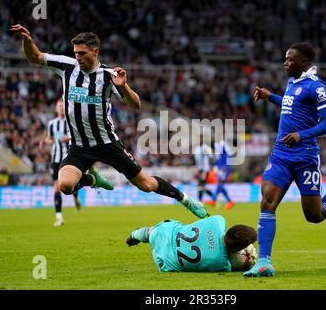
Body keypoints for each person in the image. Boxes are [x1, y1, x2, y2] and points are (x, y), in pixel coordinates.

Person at [11, 24, 207, 219]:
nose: (77, 57)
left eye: (82, 53)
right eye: (76, 53)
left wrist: (124, 87)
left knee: (146, 185)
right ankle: (92, 179)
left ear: (95, 51)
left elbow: (136, 104)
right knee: (65, 186)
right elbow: (35, 56)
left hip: (107, 144)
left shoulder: (108, 76)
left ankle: (186, 199)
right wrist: (27, 41)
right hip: (79, 146)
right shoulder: (66, 66)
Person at [244, 42, 326, 277]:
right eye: (285, 58)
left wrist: (302, 135)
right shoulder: (293, 83)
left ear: (304, 62)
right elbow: (290, 104)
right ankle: (263, 262)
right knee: (267, 202)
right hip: (281, 155)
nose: (285, 62)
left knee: (314, 216)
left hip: (305, 158)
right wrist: (270, 96)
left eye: (290, 59)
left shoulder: (316, 87)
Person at [126, 215, 257, 272]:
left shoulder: (218, 221)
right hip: (165, 262)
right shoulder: (223, 264)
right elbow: (231, 264)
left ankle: (136, 235)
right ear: (236, 250)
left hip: (165, 233)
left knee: (154, 231)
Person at [40, 99, 81, 226]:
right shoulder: (52, 123)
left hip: (69, 157)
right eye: (59, 106)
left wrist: (68, 138)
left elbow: (78, 135)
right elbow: (50, 139)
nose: (61, 108)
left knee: (72, 183)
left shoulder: (70, 122)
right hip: (56, 158)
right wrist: (44, 142)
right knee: (56, 187)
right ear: (56, 109)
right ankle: (59, 217)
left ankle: (75, 197)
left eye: (63, 106)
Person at [206, 138, 235, 210]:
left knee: (220, 183)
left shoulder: (223, 145)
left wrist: (226, 166)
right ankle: (229, 201)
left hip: (224, 168)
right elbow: (217, 161)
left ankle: (214, 200)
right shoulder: (219, 151)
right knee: (220, 184)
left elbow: (230, 155)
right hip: (221, 168)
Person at [193, 136, 214, 204]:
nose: (200, 140)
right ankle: (213, 196)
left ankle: (200, 200)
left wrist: (207, 153)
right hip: (199, 169)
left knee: (200, 184)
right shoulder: (196, 149)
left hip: (205, 169)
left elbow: (211, 156)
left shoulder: (207, 148)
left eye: (201, 138)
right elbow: (196, 159)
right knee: (201, 186)